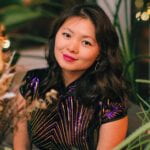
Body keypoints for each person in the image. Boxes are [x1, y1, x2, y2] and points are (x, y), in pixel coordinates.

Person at [13, 3, 129, 150]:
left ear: (100, 53)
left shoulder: (110, 102)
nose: (72, 48)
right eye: (67, 35)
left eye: (86, 42)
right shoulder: (33, 82)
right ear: (56, 35)